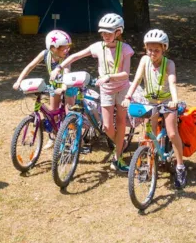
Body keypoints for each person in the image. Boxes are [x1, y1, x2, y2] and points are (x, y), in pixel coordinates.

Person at [51, 13, 134, 172]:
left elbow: (125, 74)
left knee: (121, 121)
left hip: (122, 88)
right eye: (103, 32)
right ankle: (120, 143)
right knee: (107, 127)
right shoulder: (97, 46)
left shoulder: (125, 49)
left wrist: (108, 76)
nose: (105, 35)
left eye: (109, 32)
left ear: (118, 32)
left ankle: (118, 158)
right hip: (106, 90)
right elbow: (75, 56)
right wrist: (59, 68)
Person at [123, 29, 188, 189]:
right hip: (150, 102)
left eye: (157, 50)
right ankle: (149, 163)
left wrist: (174, 100)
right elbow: (137, 79)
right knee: (148, 135)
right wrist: (128, 96)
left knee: (172, 133)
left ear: (164, 49)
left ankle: (180, 167)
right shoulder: (144, 60)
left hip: (166, 102)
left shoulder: (169, 64)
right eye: (149, 49)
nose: (153, 53)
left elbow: (172, 82)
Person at [13, 30, 75, 146]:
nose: (67, 50)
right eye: (63, 48)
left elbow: (66, 71)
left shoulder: (66, 58)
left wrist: (64, 87)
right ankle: (53, 137)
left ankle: (75, 138)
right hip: (54, 86)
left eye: (68, 47)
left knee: (69, 113)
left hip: (67, 86)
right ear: (53, 48)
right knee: (53, 113)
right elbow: (30, 66)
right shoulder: (45, 54)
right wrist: (19, 80)